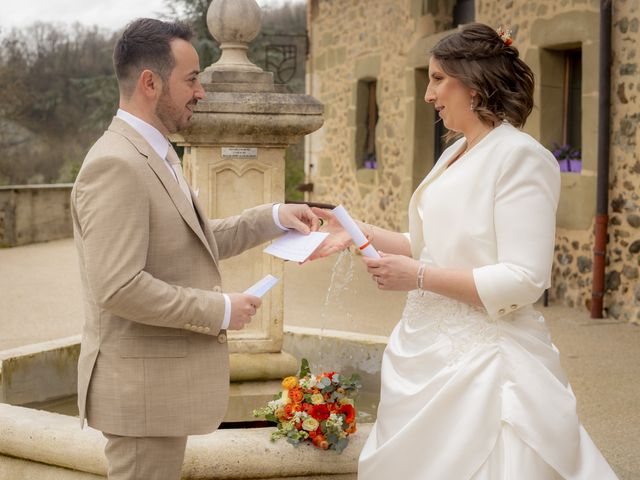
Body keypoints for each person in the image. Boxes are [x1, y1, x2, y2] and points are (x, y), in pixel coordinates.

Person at [311, 23, 618, 480]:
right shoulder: (456, 152)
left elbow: (523, 277)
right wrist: (358, 231)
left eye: (437, 79)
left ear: (474, 84)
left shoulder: (521, 157)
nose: (428, 95)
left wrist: (416, 276)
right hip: (425, 346)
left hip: (488, 360)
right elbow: (437, 247)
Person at [70, 18, 318, 480]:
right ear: (150, 83)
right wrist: (219, 310)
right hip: (141, 400)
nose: (200, 91)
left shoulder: (157, 152)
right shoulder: (115, 164)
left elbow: (194, 241)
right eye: (191, 79)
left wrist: (271, 217)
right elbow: (118, 287)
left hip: (156, 396)